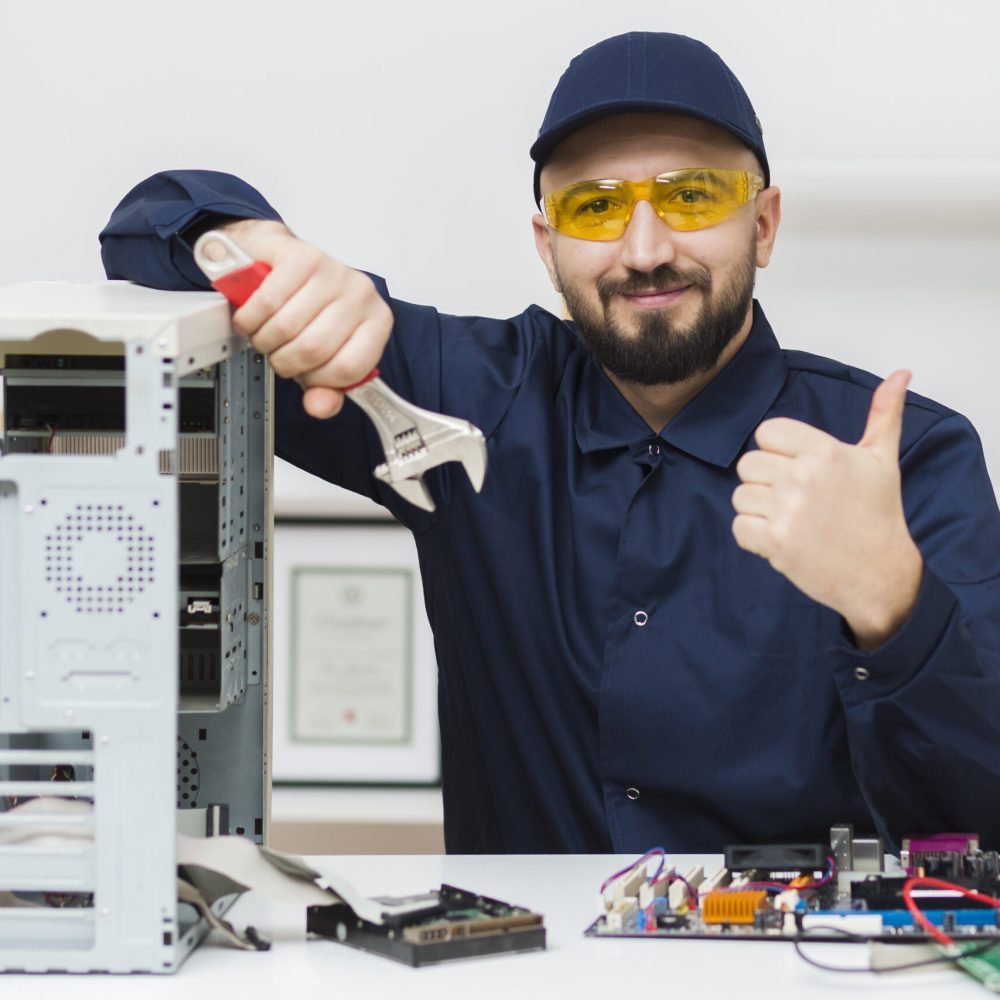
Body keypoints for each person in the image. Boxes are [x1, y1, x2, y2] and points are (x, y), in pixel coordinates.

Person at [100, 32, 1000, 855]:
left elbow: (981, 818)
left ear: (762, 225)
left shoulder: (905, 462)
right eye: (597, 207)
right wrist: (250, 244)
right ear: (547, 242)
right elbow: (144, 235)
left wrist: (894, 607)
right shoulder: (459, 395)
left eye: (693, 196)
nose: (645, 249)